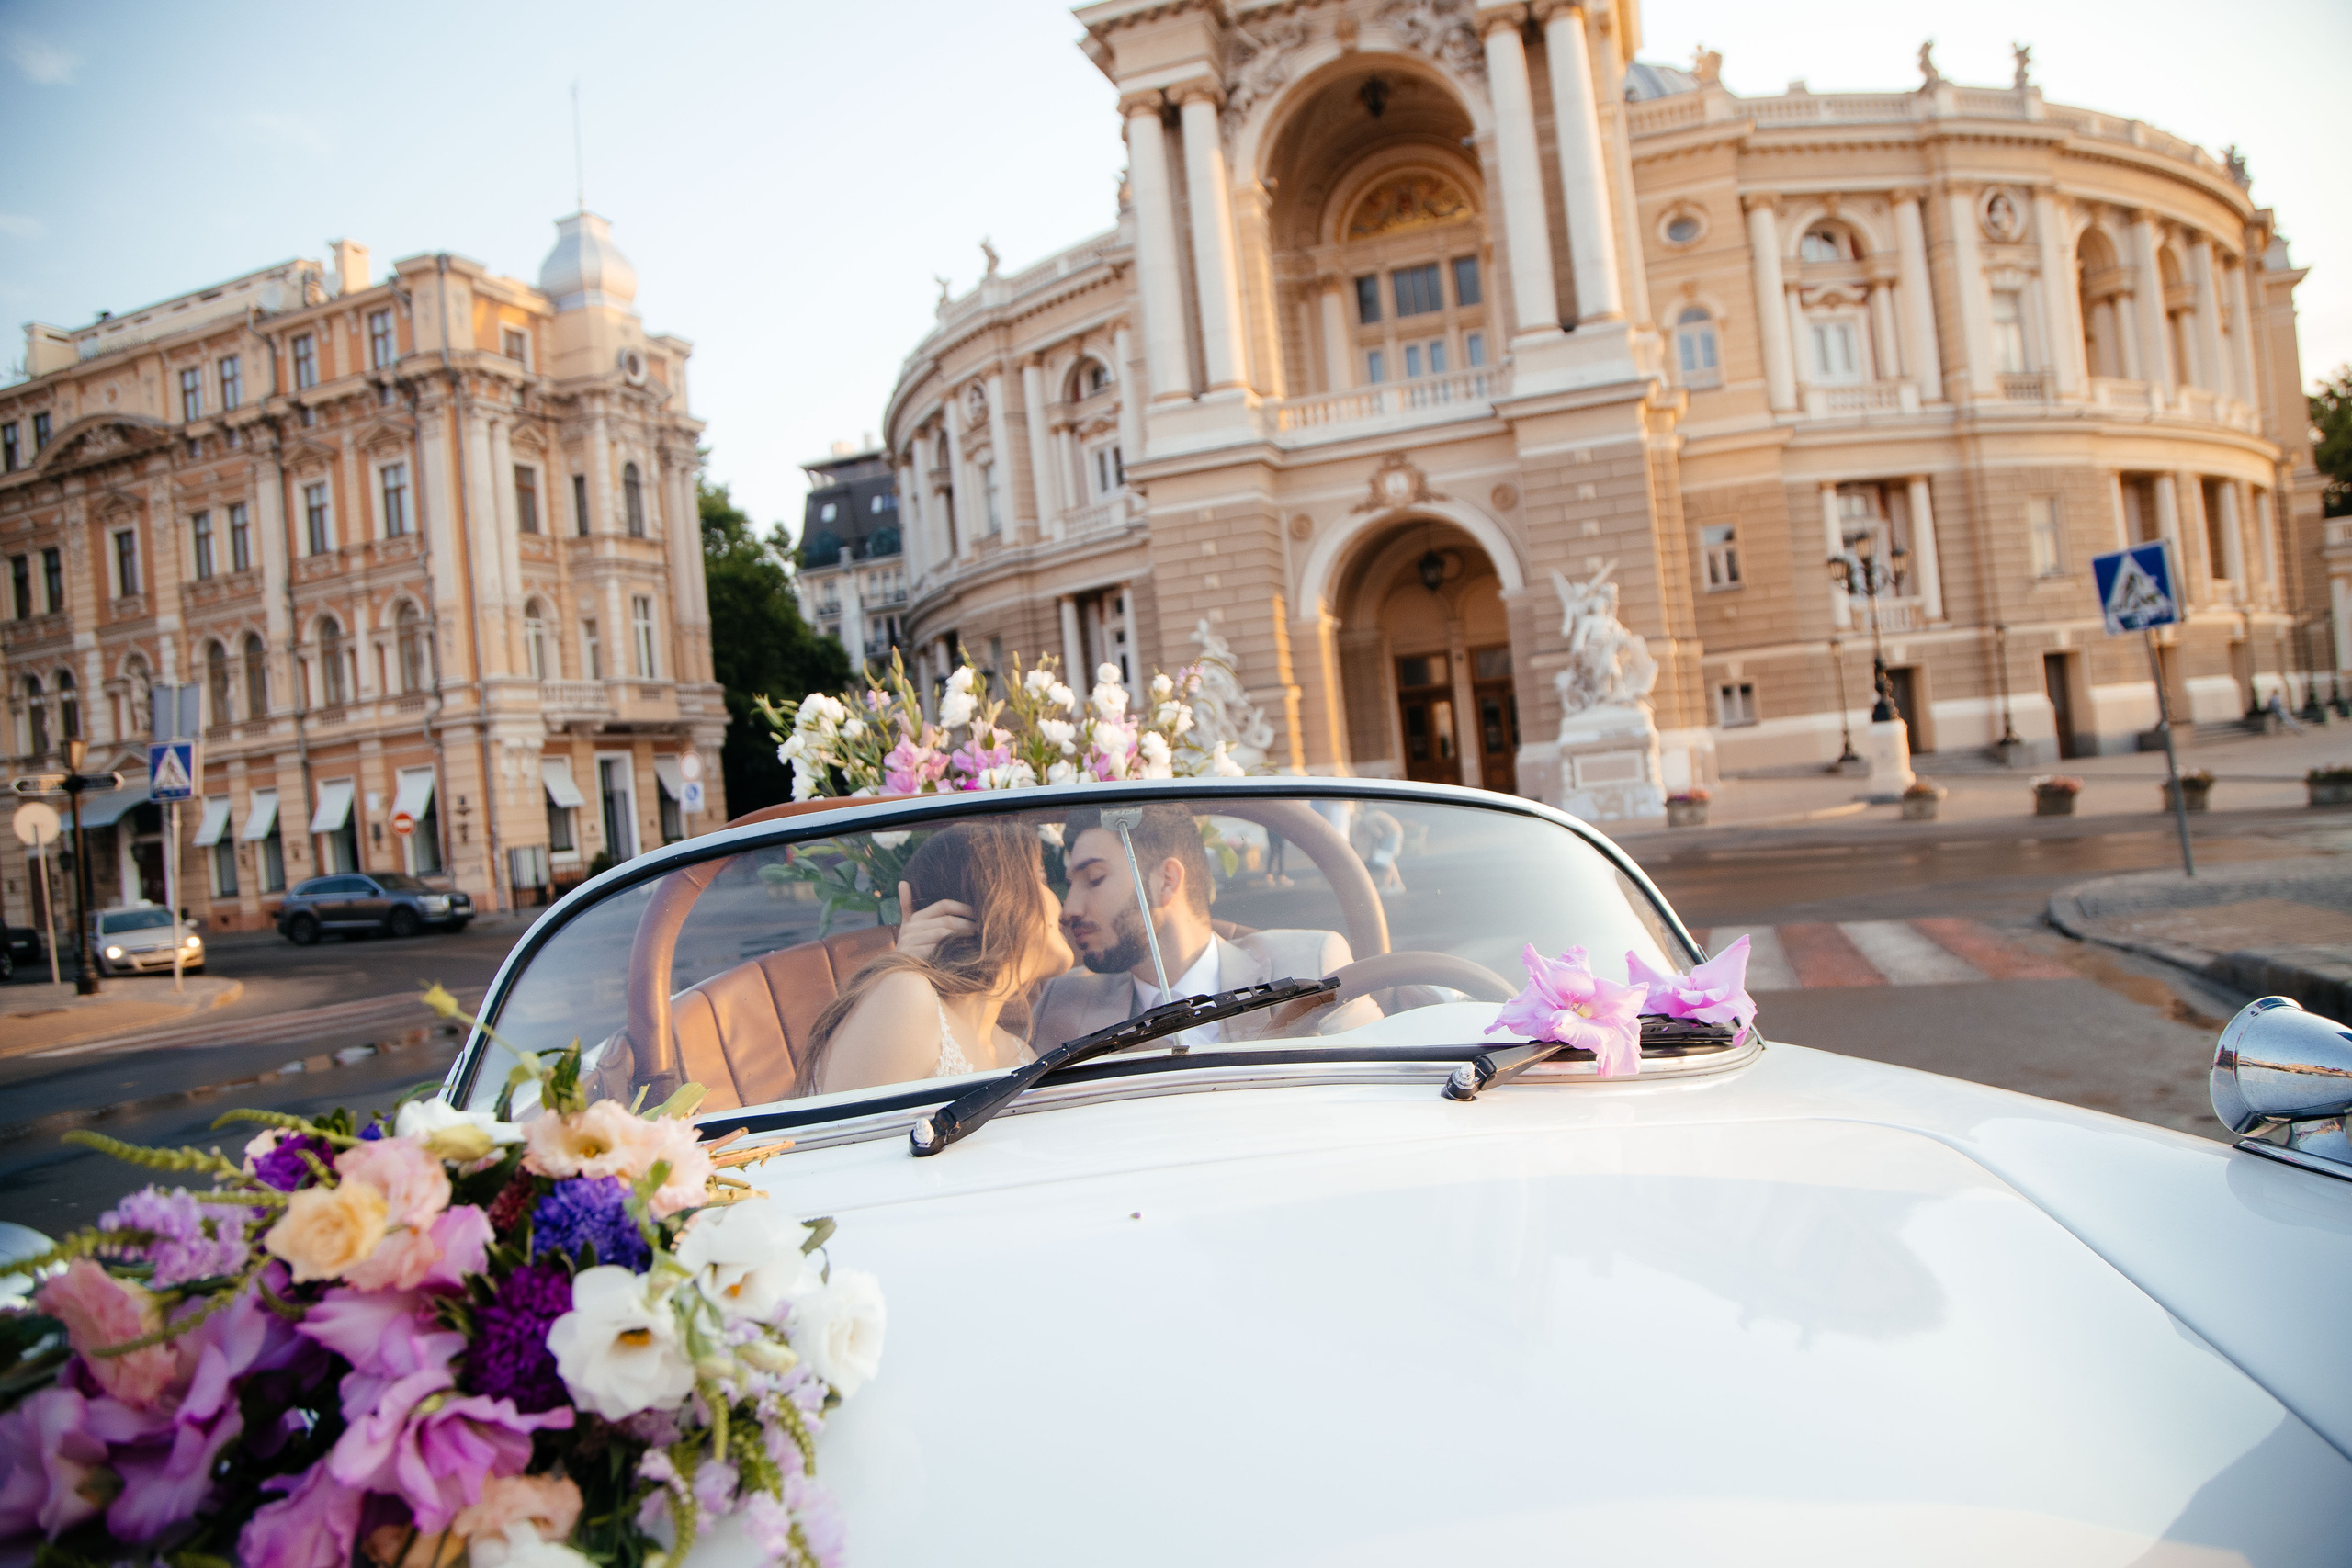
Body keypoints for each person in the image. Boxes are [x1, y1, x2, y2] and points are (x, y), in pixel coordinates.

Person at [1030, 803, 1372, 1050]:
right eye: (1070, 884)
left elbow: (1378, 1092)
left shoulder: (1312, 965)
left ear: (1166, 881)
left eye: (1094, 878)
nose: (1068, 909)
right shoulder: (1063, 1001)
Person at [800, 820, 1072, 1096]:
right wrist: (898, 975)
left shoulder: (1020, 1054)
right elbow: (845, 1137)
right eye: (1040, 878)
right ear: (994, 895)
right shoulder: (905, 996)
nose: (1063, 903)